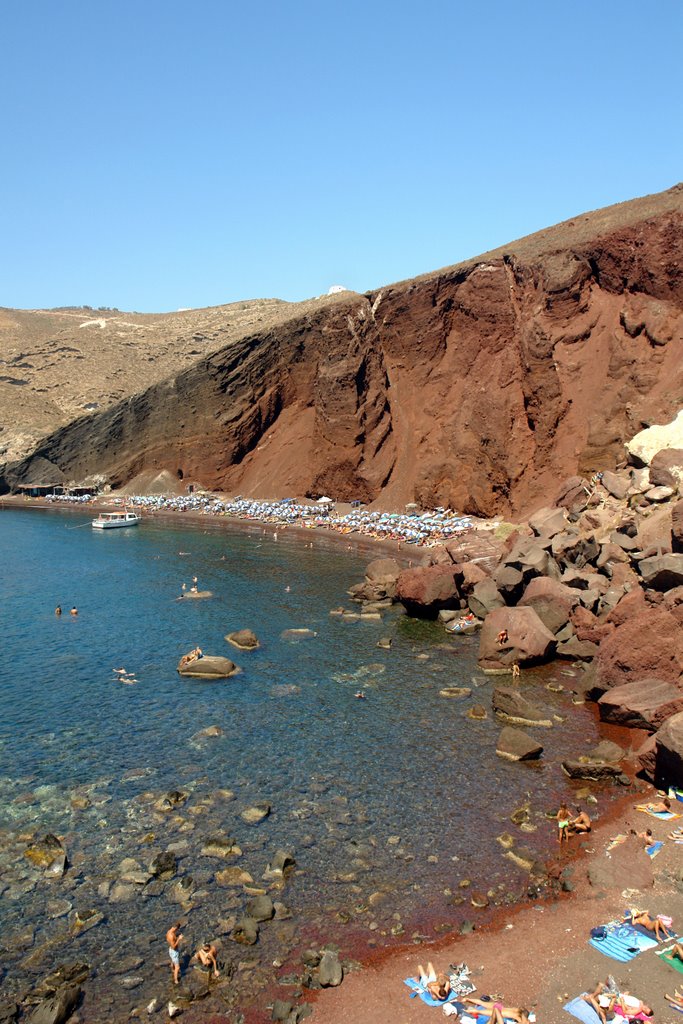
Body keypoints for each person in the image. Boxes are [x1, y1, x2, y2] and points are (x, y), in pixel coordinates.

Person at [463, 997, 531, 1023]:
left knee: (482, 1004)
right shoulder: (517, 1016)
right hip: (498, 1012)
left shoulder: (515, 1011)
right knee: (481, 1012)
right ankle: (469, 1007)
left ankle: (467, 999)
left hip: (498, 1007)